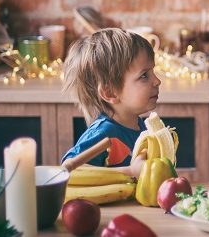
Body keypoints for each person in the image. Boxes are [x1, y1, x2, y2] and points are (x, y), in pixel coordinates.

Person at [61, 28, 161, 177]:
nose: (157, 81)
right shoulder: (103, 133)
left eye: (153, 72)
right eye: (144, 75)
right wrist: (130, 171)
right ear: (110, 93)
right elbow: (69, 171)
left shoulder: (140, 126)